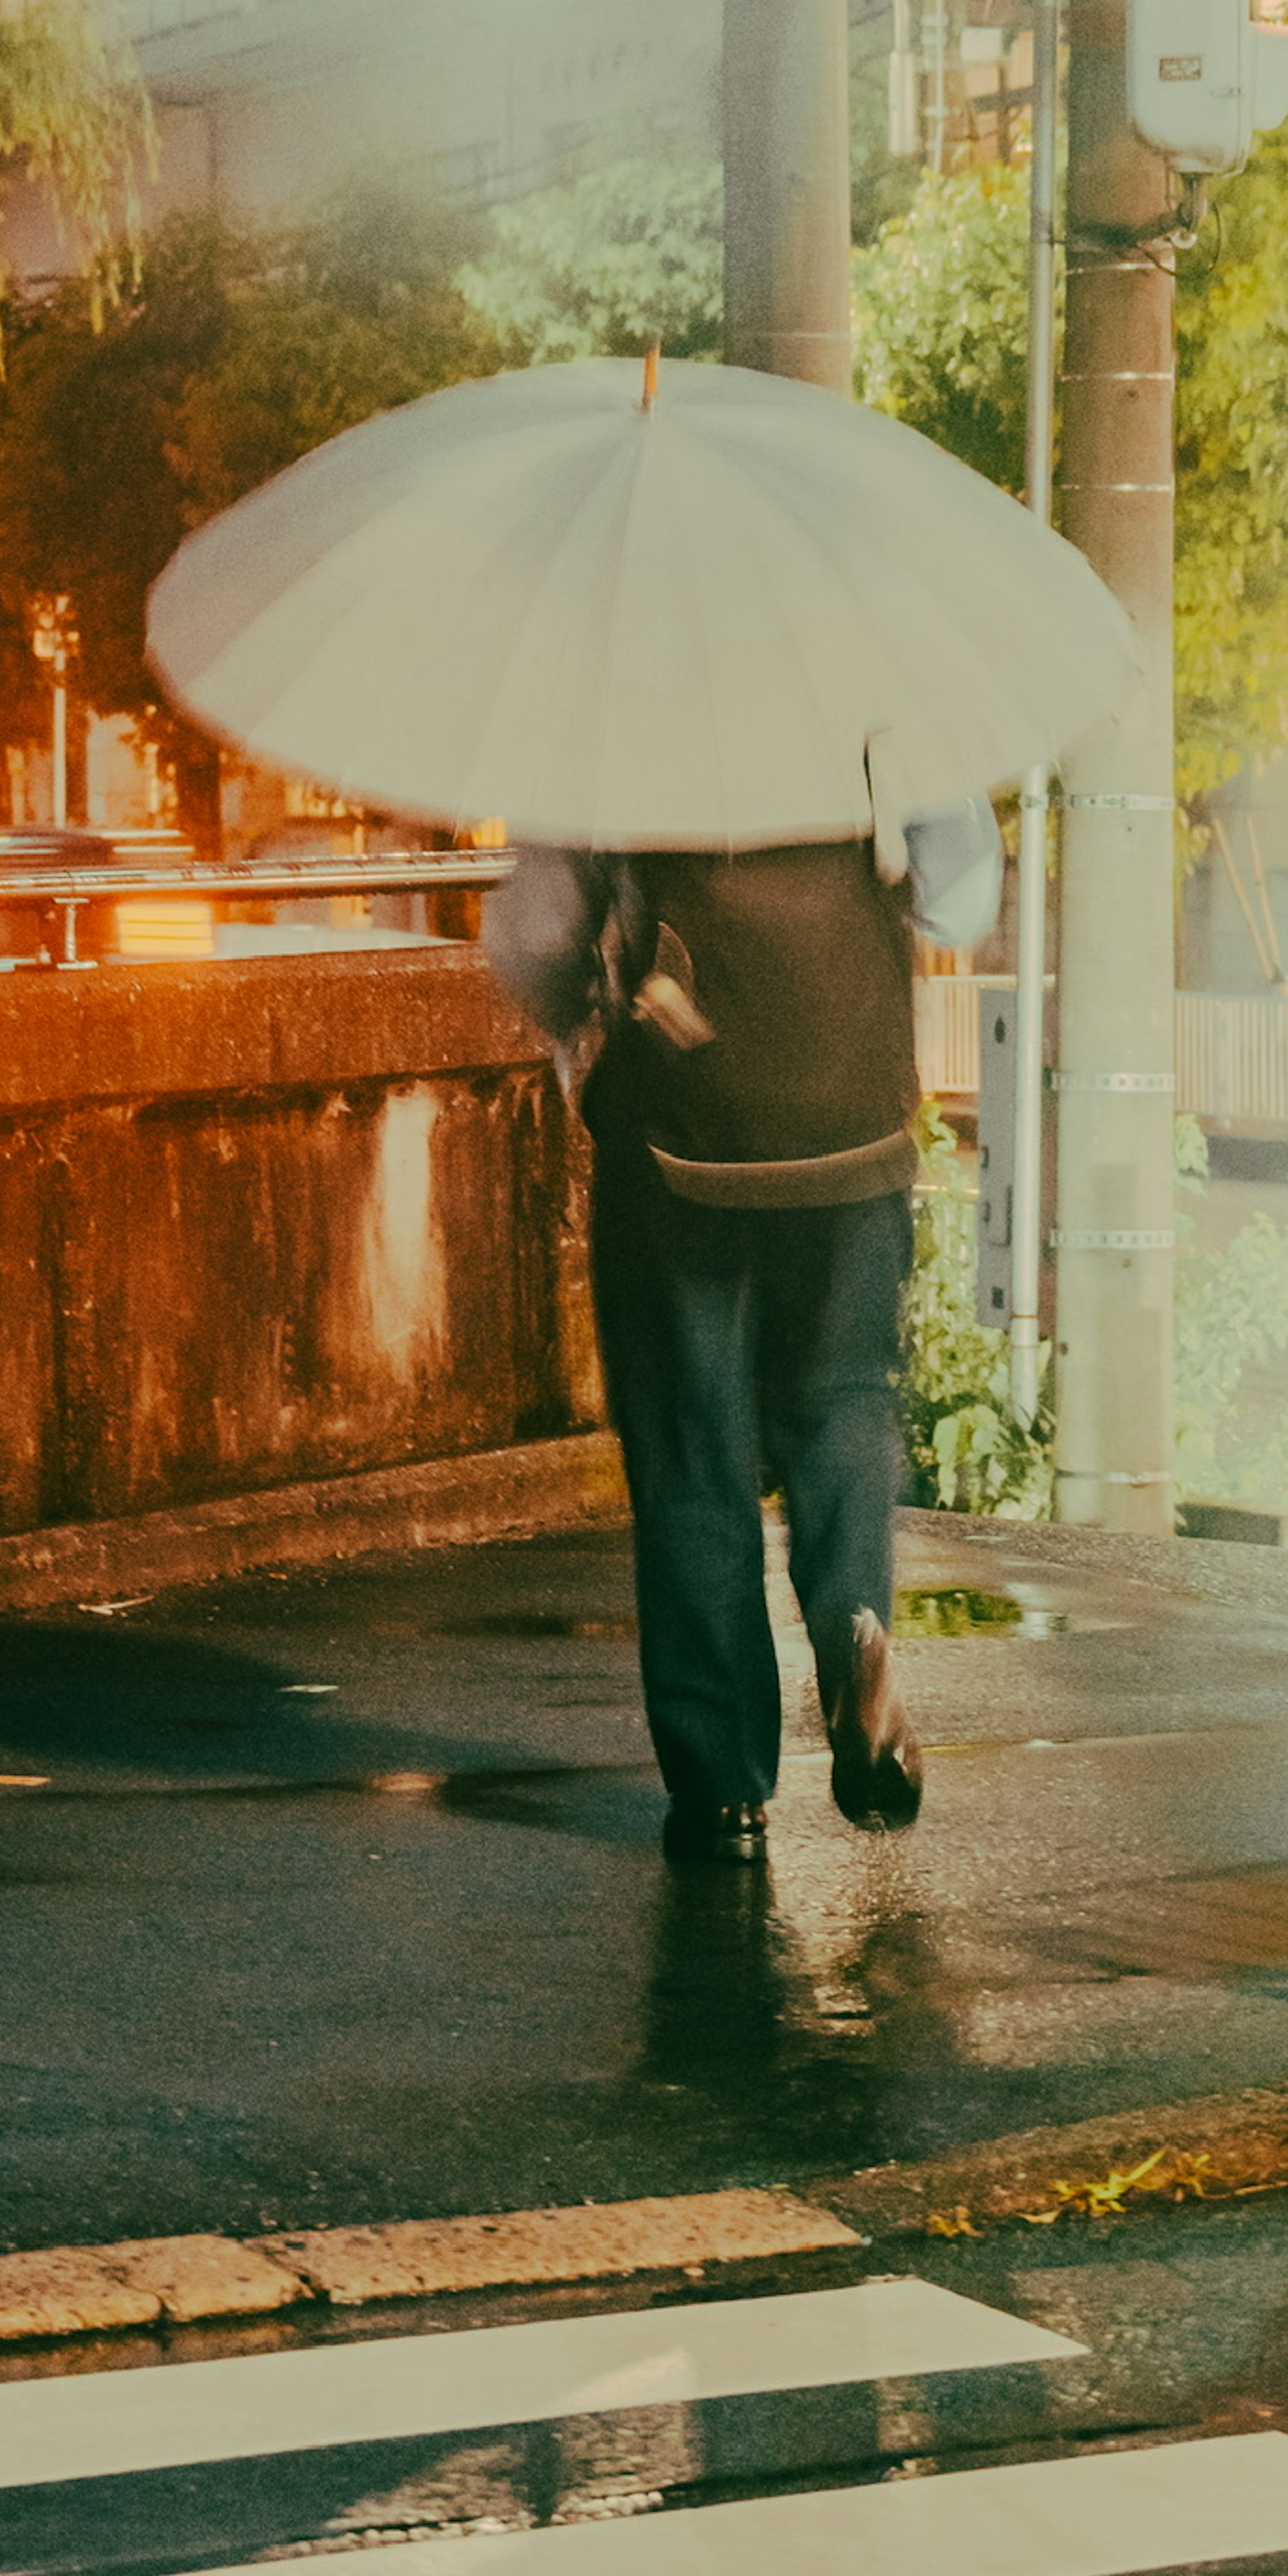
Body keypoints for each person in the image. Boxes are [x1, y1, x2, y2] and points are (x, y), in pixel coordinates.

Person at [487, 798, 1003, 1865]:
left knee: (690, 1449)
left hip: (678, 1141)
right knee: (845, 1403)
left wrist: (579, 1026)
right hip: (849, 1131)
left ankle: (722, 1791)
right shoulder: (873, 686)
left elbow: (539, 936)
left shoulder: (608, 701)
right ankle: (855, 1627)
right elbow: (961, 902)